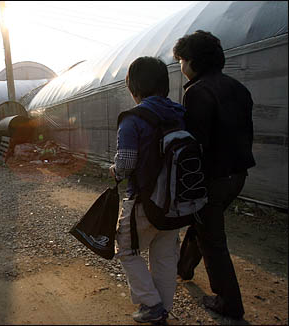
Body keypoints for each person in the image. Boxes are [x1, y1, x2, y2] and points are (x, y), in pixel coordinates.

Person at [173, 30, 256, 320]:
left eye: (181, 60)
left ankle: (229, 302)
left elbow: (196, 144)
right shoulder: (238, 88)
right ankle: (183, 268)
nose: (180, 66)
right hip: (237, 175)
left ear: (193, 61)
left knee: (213, 239)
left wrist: (185, 184)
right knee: (203, 225)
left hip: (213, 178)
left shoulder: (196, 91)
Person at [109, 56, 186, 324]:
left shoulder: (134, 118)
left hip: (144, 200)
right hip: (177, 201)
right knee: (164, 255)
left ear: (133, 87)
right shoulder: (180, 113)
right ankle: (162, 308)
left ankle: (152, 305)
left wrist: (115, 171)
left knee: (127, 249)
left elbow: (127, 163)